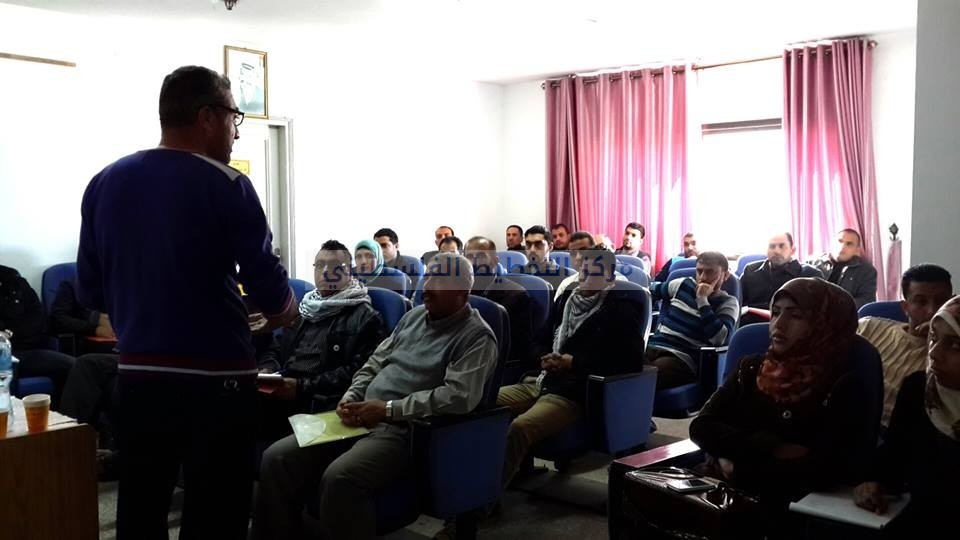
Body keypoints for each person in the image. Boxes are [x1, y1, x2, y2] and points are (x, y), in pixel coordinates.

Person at [76, 65, 298, 540]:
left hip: (138, 379)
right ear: (207, 117)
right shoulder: (228, 184)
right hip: (217, 384)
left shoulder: (103, 182)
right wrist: (284, 313)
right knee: (216, 516)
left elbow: (90, 293)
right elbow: (271, 292)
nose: (236, 132)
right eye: (235, 118)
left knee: (140, 509)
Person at [253, 253, 498, 540]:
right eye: (429, 276)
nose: (428, 286)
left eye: (440, 280)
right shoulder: (414, 316)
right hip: (360, 414)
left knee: (340, 478)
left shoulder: (476, 336)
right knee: (277, 457)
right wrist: (352, 394)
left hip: (404, 430)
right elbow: (375, 361)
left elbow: (458, 397)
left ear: (463, 293)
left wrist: (388, 410)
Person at [690, 278, 873, 508]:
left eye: (795, 316)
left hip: (788, 507)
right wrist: (772, 447)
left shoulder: (843, 384)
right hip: (718, 493)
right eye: (775, 313)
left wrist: (735, 463)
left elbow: (822, 470)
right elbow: (701, 426)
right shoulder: (751, 367)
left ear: (824, 323)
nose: (779, 324)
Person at [498, 249, 645, 486]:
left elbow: (630, 362)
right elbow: (537, 341)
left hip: (574, 391)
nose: (583, 278)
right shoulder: (567, 299)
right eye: (582, 271)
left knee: (520, 427)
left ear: (609, 278)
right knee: (485, 404)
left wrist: (573, 363)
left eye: (592, 273)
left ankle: (485, 499)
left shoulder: (621, 310)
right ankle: (505, 471)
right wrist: (544, 357)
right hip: (541, 379)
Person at [852, 296, 960, 532]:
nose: (934, 353)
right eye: (933, 338)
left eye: (954, 345)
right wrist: (873, 482)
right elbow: (893, 458)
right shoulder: (919, 389)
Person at [257, 241, 385, 439]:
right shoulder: (305, 307)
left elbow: (359, 371)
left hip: (320, 402)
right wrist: (267, 370)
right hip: (283, 391)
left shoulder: (365, 317)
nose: (325, 271)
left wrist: (301, 387)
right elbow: (277, 347)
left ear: (349, 272)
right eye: (319, 265)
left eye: (334, 266)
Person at [858, 264, 953, 426]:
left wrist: (939, 336)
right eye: (921, 302)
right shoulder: (868, 326)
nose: (932, 311)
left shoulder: (951, 354)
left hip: (897, 432)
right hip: (849, 415)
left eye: (941, 301)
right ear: (905, 307)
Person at [646, 252, 739, 390]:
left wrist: (702, 300)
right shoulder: (683, 284)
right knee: (621, 364)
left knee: (646, 375)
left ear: (725, 275)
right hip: (653, 347)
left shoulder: (728, 302)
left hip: (682, 358)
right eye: (699, 271)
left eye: (710, 272)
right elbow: (650, 291)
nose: (703, 278)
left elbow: (720, 339)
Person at [0, 263, 74, 407]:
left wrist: (9, 332)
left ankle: (64, 417)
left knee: (75, 367)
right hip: (2, 357)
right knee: (6, 376)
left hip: (27, 352)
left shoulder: (14, 281)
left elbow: (38, 319)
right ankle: (9, 418)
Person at [463, 236, 534, 373]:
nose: (474, 263)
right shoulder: (460, 293)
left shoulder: (516, 296)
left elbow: (517, 347)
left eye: (481, 256)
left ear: (495, 261)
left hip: (493, 365)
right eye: (469, 257)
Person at [739, 233, 823, 325]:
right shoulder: (750, 270)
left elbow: (818, 312)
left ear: (792, 250)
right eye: (772, 246)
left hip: (790, 327)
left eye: (782, 246)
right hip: (748, 323)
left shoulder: (810, 275)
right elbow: (737, 301)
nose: (777, 251)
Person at [50, 278, 117, 354]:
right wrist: (95, 328)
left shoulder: (117, 286)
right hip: (87, 345)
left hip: (117, 343)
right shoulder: (70, 286)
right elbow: (59, 320)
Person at [554, 231, 626, 300]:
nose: (578, 257)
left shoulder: (620, 282)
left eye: (583, 250)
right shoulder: (566, 284)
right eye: (573, 253)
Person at [825, 229, 878, 309]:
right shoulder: (814, 263)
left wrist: (836, 304)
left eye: (849, 244)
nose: (842, 246)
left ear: (857, 250)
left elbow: (866, 301)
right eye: (840, 241)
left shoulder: (866, 271)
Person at [512, 225, 569, 291]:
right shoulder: (517, 273)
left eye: (538, 244)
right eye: (528, 244)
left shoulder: (564, 276)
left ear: (550, 247)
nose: (532, 249)